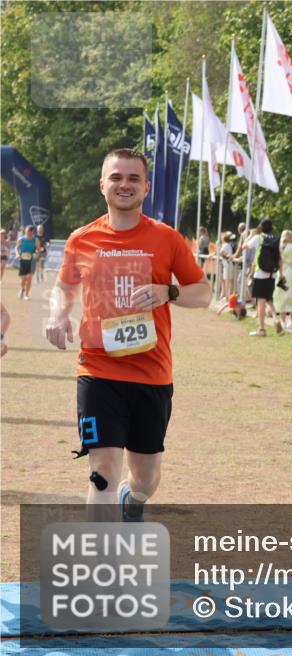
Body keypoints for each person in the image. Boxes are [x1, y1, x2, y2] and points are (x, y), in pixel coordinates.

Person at [44, 148, 211, 521]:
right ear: (102, 184)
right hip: (97, 371)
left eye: (133, 178)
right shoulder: (81, 240)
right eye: (116, 177)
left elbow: (204, 292)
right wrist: (58, 314)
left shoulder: (167, 239)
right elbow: (64, 286)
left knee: (146, 477)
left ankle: (132, 500)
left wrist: (168, 292)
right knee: (102, 472)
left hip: (152, 373)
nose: (124, 184)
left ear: (146, 187)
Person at [245, 219, 283, 337]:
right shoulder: (277, 240)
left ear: (261, 227)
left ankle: (261, 329)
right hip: (272, 274)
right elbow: (280, 259)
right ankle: (276, 318)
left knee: (260, 301)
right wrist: (281, 274)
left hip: (260, 273)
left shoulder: (258, 238)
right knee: (268, 298)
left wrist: (250, 235)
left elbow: (244, 247)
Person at [16, 224, 39, 300]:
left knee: (29, 278)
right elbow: (16, 248)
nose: (28, 233)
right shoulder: (21, 239)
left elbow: (38, 250)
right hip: (23, 260)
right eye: (26, 232)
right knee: (23, 279)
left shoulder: (36, 240)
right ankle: (22, 289)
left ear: (33, 232)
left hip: (32, 261)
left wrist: (36, 253)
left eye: (29, 232)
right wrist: (17, 254)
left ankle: (26, 294)